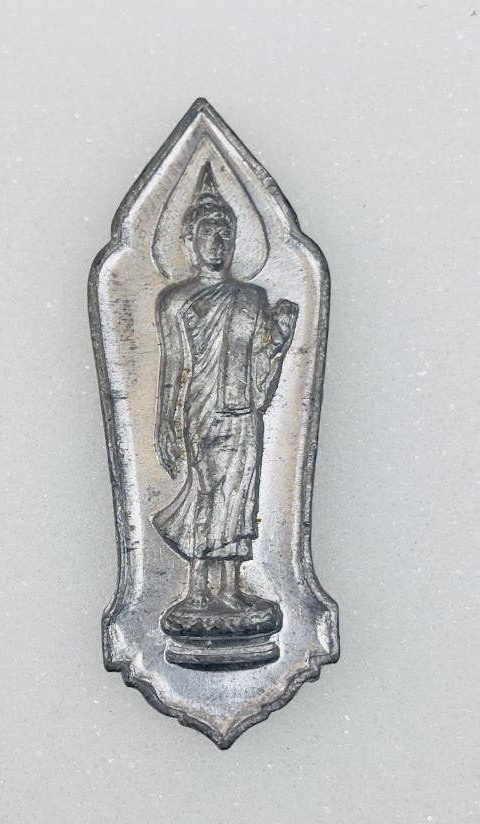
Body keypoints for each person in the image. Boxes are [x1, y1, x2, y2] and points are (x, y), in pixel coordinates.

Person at [153, 162, 298, 633]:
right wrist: (166, 423)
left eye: (224, 234)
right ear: (189, 240)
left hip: (242, 410)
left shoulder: (252, 297)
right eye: (207, 233)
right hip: (200, 407)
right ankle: (197, 588)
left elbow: (262, 362)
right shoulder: (176, 300)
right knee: (207, 488)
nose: (217, 242)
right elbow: (173, 365)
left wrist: (278, 337)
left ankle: (230, 587)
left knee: (239, 493)